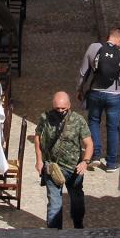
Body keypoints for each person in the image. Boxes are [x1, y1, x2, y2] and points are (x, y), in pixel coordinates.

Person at [32, 91, 93, 229]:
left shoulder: (78, 121)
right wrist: (39, 160)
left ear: (69, 106)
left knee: (77, 202)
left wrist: (85, 161)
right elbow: (37, 137)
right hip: (52, 168)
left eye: (63, 109)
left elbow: (89, 144)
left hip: (74, 169)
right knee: (54, 204)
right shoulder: (45, 118)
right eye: (57, 108)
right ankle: (55, 235)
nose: (60, 111)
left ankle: (78, 226)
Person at [76, 27, 120, 172]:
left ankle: (95, 155)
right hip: (115, 96)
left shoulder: (94, 47)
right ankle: (112, 163)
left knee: (94, 122)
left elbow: (83, 72)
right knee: (113, 127)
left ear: (108, 37)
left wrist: (79, 89)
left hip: (96, 93)